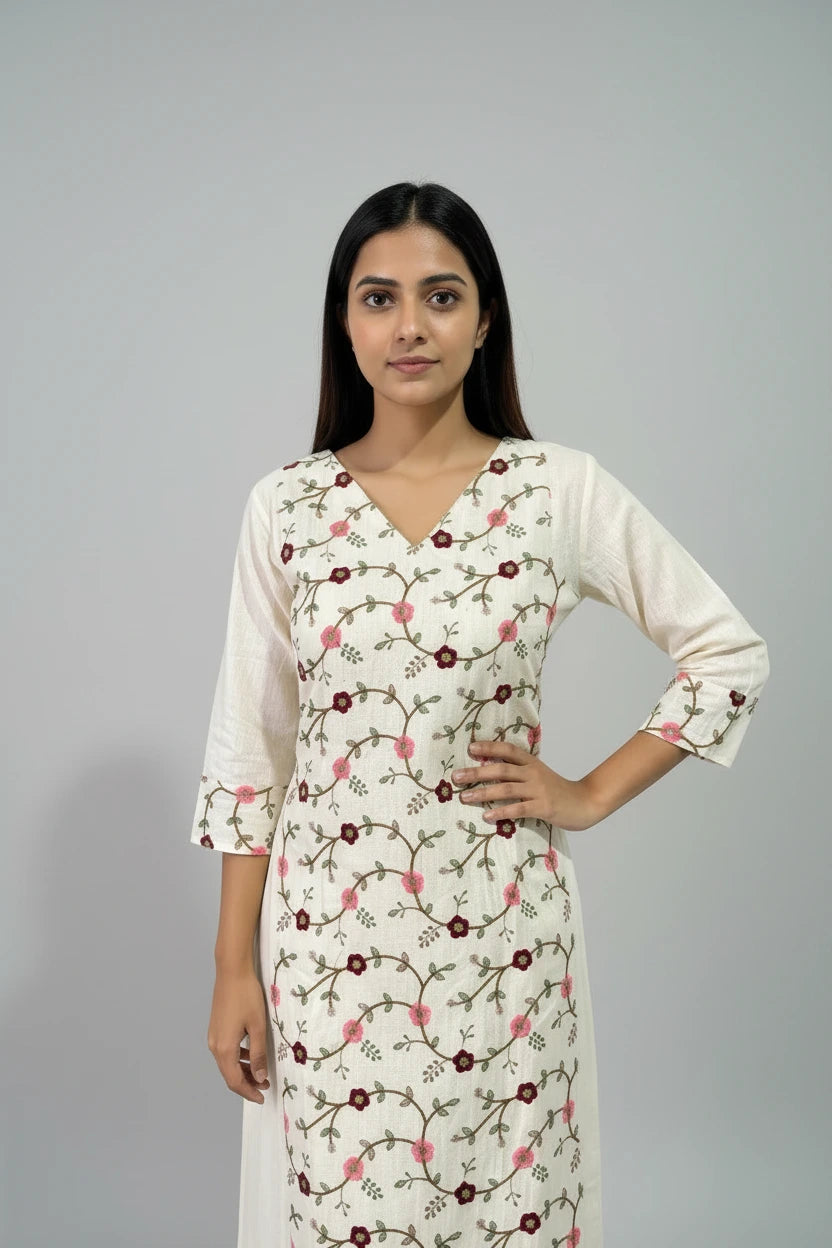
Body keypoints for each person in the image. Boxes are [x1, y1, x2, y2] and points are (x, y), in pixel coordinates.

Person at [189, 181, 769, 1248]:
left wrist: (590, 791)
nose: (409, 326)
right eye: (378, 298)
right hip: (326, 948)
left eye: (441, 296)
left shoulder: (558, 492)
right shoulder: (289, 507)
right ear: (343, 321)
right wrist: (234, 969)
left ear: (485, 317)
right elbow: (250, 753)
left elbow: (724, 650)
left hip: (498, 939)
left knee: (511, 1209)